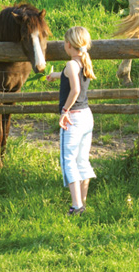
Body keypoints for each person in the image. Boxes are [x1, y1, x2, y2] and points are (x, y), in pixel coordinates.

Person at [46, 26, 97, 216]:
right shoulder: (84, 62)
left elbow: (75, 90)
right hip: (86, 116)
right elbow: (70, 75)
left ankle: (76, 207)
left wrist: (64, 111)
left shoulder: (71, 64)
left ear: (68, 45)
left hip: (73, 118)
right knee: (82, 160)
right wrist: (55, 76)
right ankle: (82, 203)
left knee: (68, 161)